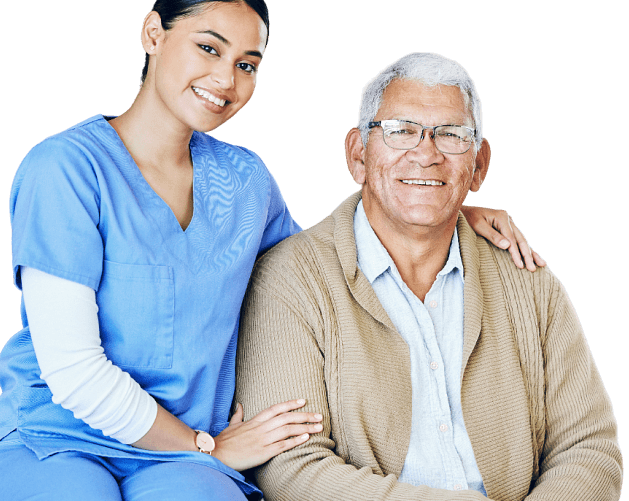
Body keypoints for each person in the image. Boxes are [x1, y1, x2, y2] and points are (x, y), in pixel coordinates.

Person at [0, 0, 544, 500]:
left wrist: (435, 207)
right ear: (153, 34)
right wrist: (204, 446)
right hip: (62, 434)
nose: (226, 79)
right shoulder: (63, 169)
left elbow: (326, 259)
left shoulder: (244, 179)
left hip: (191, 461)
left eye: (247, 64)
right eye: (208, 49)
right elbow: (75, 372)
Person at [234, 51, 622, 501]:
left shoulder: (527, 278)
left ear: (478, 165)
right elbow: (292, 470)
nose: (426, 154)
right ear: (358, 154)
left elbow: (590, 448)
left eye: (452, 135)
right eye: (401, 131)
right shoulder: (291, 279)